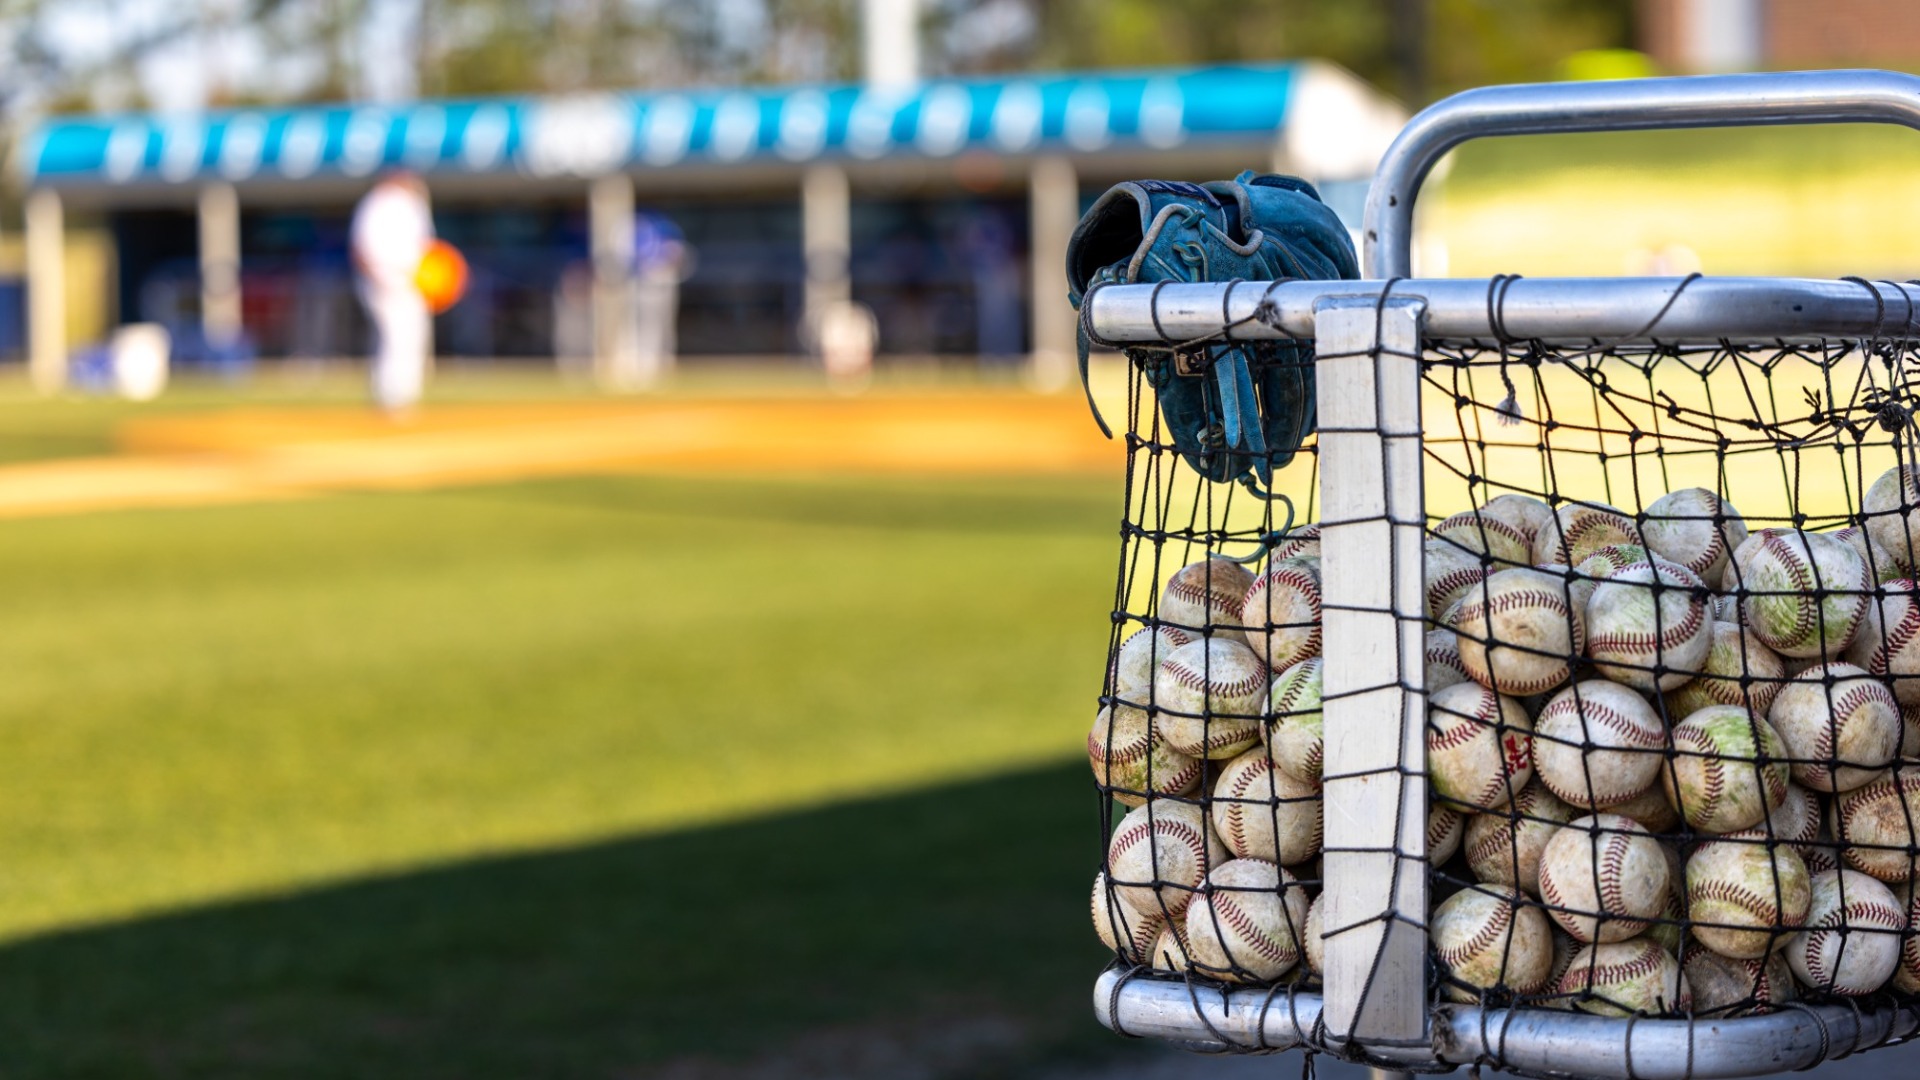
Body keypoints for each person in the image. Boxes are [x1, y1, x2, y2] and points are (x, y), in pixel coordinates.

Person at [351, 172, 435, 415]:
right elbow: (362, 247)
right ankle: (390, 396)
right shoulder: (377, 203)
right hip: (384, 279)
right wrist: (377, 277)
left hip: (413, 281)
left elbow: (425, 248)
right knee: (395, 337)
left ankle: (405, 395)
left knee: (412, 336)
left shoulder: (413, 205)